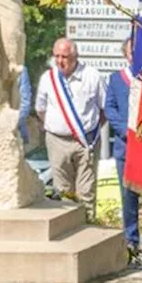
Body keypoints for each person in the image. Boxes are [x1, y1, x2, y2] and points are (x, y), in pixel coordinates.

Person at [35, 37, 106, 220]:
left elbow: (104, 108)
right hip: (57, 141)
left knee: (86, 192)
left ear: (75, 56)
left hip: (86, 142)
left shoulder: (92, 76)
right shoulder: (48, 79)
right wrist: (57, 126)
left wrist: (90, 131)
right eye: (57, 56)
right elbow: (40, 109)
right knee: (63, 192)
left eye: (64, 57)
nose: (60, 61)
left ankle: (88, 232)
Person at [104, 61, 142, 257]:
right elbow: (110, 109)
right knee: (128, 196)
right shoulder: (116, 79)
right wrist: (126, 131)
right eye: (131, 51)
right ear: (126, 54)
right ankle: (131, 239)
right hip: (126, 147)